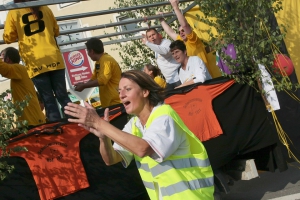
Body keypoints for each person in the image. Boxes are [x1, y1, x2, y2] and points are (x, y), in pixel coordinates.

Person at [64, 70, 214, 199]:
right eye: (119, 91)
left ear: (145, 91)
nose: (121, 95)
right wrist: (103, 138)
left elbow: (143, 149)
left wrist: (99, 123)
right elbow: (111, 159)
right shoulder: (134, 125)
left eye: (127, 89)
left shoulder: (164, 115)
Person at [3, 0, 71, 122]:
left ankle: (57, 130)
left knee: (48, 100)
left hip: (35, 61)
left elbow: (8, 37)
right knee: (63, 96)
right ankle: (80, 124)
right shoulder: (45, 7)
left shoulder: (14, 11)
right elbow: (56, 31)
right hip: (54, 57)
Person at [159, 0, 221, 78]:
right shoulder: (181, 42)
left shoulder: (193, 41)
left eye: (183, 31)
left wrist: (175, 7)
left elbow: (185, 25)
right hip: (192, 76)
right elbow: (170, 32)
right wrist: (161, 20)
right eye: (180, 32)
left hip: (204, 76)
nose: (181, 33)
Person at [0, 47, 45, 127]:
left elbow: (3, 68)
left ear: (7, 59)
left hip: (31, 119)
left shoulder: (18, 68)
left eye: (2, 58)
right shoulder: (19, 71)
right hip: (30, 118)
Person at [74, 38, 121, 108]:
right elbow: (94, 78)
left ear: (92, 51)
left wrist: (84, 86)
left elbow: (103, 80)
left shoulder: (106, 60)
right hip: (108, 103)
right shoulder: (99, 62)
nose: (88, 54)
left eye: (88, 51)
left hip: (115, 102)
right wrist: (84, 84)